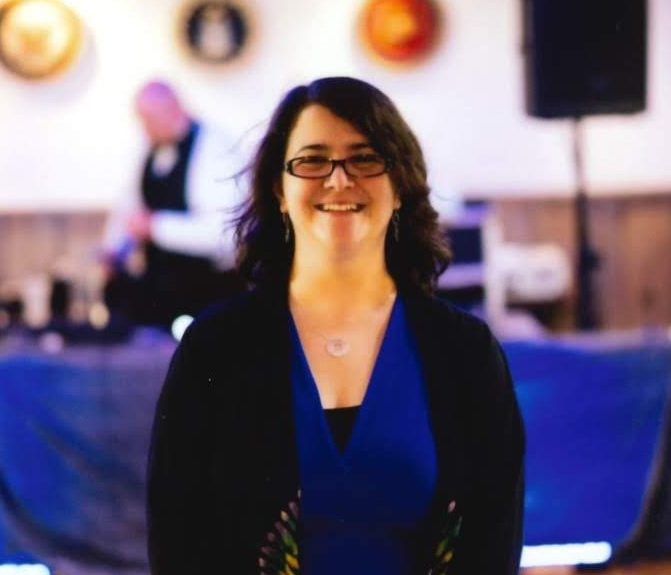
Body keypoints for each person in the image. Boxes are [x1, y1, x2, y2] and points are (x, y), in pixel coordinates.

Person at [147, 76, 525, 574]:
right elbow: (178, 538)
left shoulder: (464, 349)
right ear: (279, 190)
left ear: (400, 187)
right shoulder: (216, 348)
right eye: (313, 159)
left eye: (365, 158)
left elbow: (493, 539)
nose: (339, 179)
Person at [101, 80, 244, 329]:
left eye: (150, 120)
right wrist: (113, 251)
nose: (145, 130)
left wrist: (156, 227)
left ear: (175, 109)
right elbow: (129, 209)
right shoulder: (149, 151)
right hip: (161, 294)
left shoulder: (216, 149)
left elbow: (225, 236)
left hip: (208, 295)